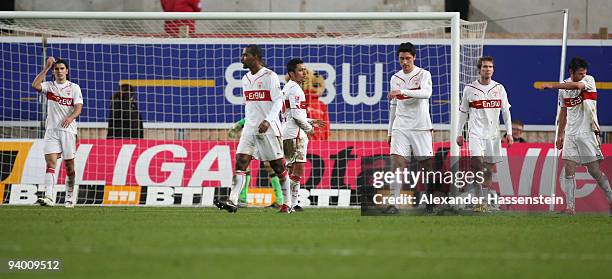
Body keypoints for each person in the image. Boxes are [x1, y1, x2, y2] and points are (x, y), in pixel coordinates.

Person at [214, 45, 290, 213]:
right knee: (241, 161)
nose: (242, 58)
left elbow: (278, 101)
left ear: (255, 57)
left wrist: (268, 121)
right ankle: (233, 200)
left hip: (268, 129)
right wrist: (244, 124)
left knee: (278, 167)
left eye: (245, 55)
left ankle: (287, 203)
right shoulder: (245, 79)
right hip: (250, 129)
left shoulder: (270, 76)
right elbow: (250, 108)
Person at [538, 56, 612, 215]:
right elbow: (563, 112)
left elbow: (578, 85)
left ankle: (611, 198)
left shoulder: (589, 80)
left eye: (584, 73)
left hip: (587, 131)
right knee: (568, 169)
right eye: (580, 73)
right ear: (571, 72)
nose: (583, 76)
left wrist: (552, 85)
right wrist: (560, 134)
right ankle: (570, 208)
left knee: (594, 171)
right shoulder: (564, 89)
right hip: (571, 133)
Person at [456, 56, 513, 212]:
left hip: (493, 135)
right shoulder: (470, 89)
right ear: (479, 69)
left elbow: (506, 112)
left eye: (490, 67)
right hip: (475, 133)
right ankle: (478, 200)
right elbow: (463, 112)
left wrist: (509, 132)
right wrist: (459, 133)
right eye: (485, 67)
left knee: (488, 169)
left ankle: (484, 201)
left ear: (493, 69)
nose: (488, 69)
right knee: (477, 165)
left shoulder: (499, 88)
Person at [386, 42, 435, 214]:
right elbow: (393, 105)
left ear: (414, 57)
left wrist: (402, 91)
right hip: (401, 126)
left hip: (421, 126)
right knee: (397, 163)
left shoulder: (423, 74)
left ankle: (429, 200)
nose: (404, 62)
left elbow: (426, 94)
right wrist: (390, 130)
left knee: (426, 166)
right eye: (401, 59)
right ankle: (394, 204)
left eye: (408, 58)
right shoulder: (395, 78)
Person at [31, 57, 83, 208]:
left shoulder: (74, 87)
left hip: (68, 131)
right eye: (56, 69)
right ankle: (49, 196)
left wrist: (71, 117)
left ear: (67, 71)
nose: (59, 71)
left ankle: (69, 196)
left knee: (69, 167)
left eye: (62, 69)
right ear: (53, 72)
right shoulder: (49, 86)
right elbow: (35, 85)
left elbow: (78, 108)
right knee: (51, 162)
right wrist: (46, 67)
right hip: (51, 130)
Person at [282, 59, 326, 212]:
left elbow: (294, 114)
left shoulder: (289, 88)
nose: (304, 73)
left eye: (304, 69)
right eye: (300, 70)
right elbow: (296, 117)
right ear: (292, 73)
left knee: (291, 170)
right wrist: (309, 129)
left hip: (288, 133)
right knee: (297, 169)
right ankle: (289, 203)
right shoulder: (295, 90)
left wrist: (312, 121)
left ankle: (292, 203)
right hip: (295, 135)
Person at [227, 118, 284, 208]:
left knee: (270, 166)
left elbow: (263, 114)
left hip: (268, 134)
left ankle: (280, 200)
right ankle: (242, 198)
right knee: (244, 165)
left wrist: (241, 123)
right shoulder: (252, 107)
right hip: (253, 136)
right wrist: (240, 124)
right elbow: (253, 115)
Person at [302, 69, 330, 140]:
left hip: (319, 143)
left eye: (317, 85)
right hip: (304, 140)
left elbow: (326, 125)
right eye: (314, 85)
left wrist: (326, 138)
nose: (315, 88)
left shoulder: (322, 105)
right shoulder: (302, 101)